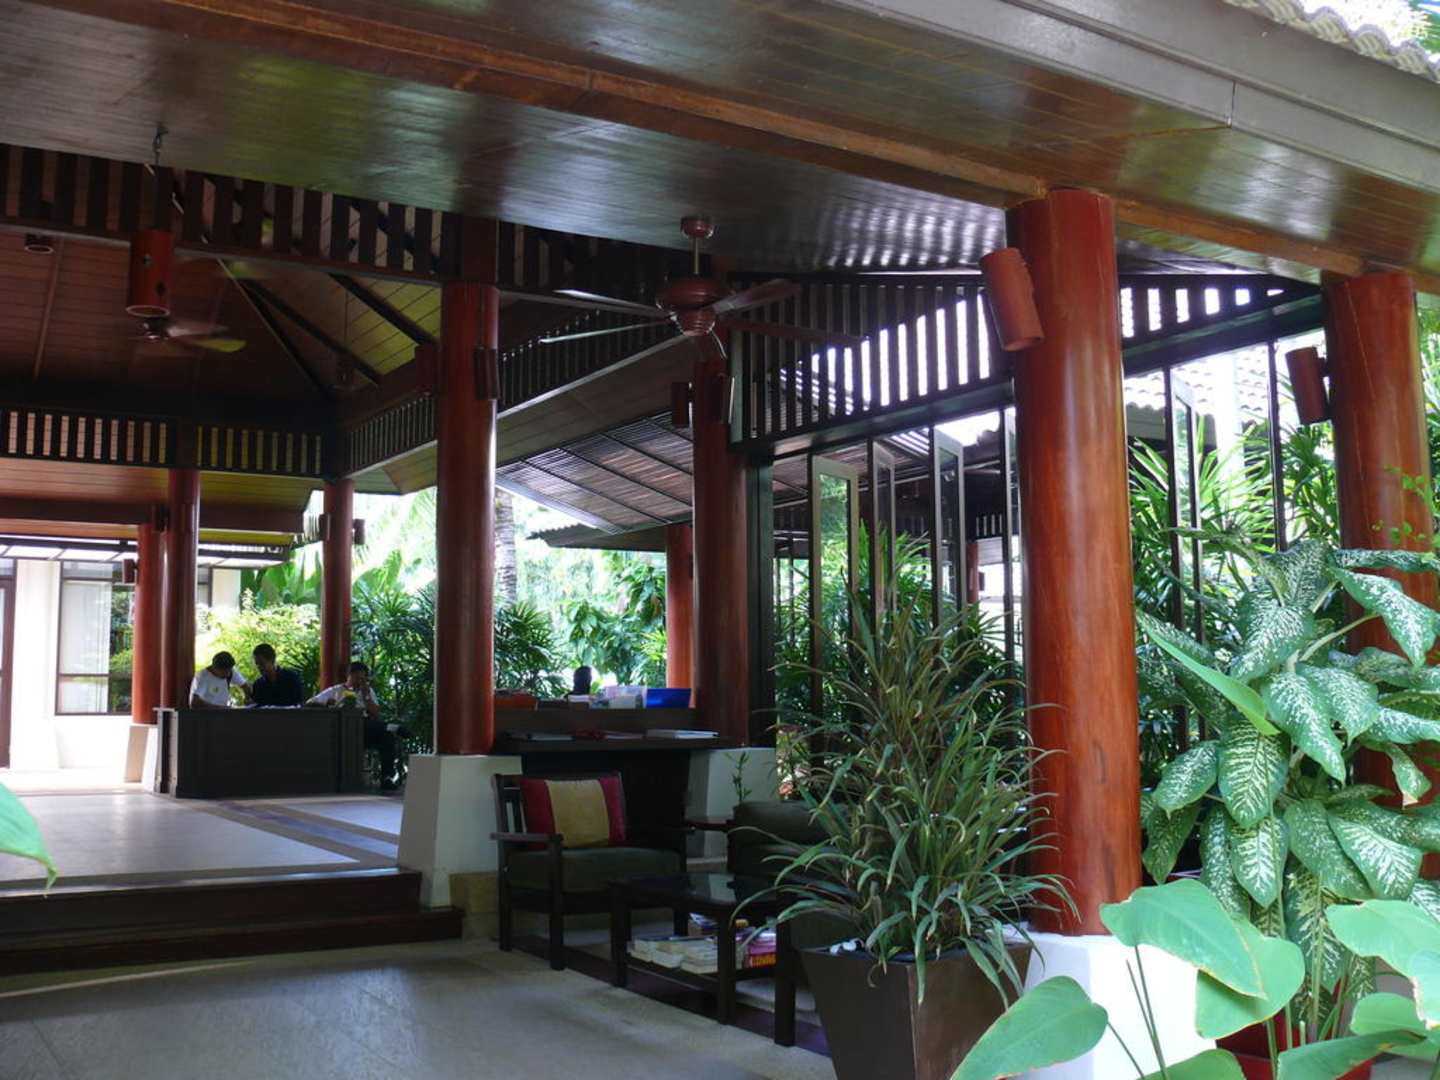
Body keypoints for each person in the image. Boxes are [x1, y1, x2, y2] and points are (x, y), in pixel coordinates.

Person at [308, 661, 408, 791]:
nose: (359, 681)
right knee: (374, 725)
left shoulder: (367, 691)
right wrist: (327, 702)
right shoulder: (336, 690)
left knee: (387, 737)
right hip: (343, 731)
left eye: (363, 679)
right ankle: (393, 727)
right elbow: (310, 702)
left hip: (364, 731)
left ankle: (386, 778)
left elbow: (376, 713)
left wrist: (366, 697)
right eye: (357, 678)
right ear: (349, 675)